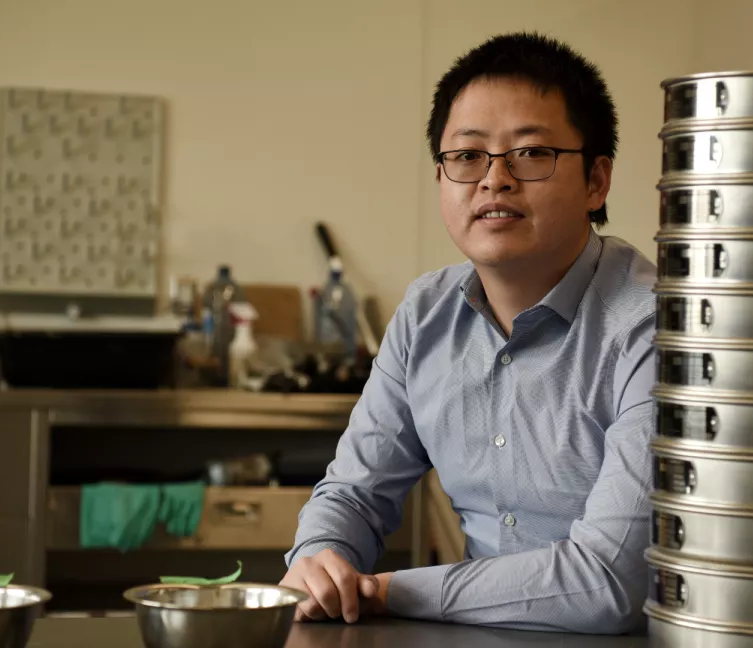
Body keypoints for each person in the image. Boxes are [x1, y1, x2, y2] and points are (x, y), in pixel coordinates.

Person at [280, 31, 656, 634]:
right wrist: (318, 561)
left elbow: (609, 580)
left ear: (596, 180)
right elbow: (354, 493)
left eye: (532, 153)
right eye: (467, 155)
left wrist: (382, 590)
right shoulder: (426, 312)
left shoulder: (653, 327)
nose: (494, 179)